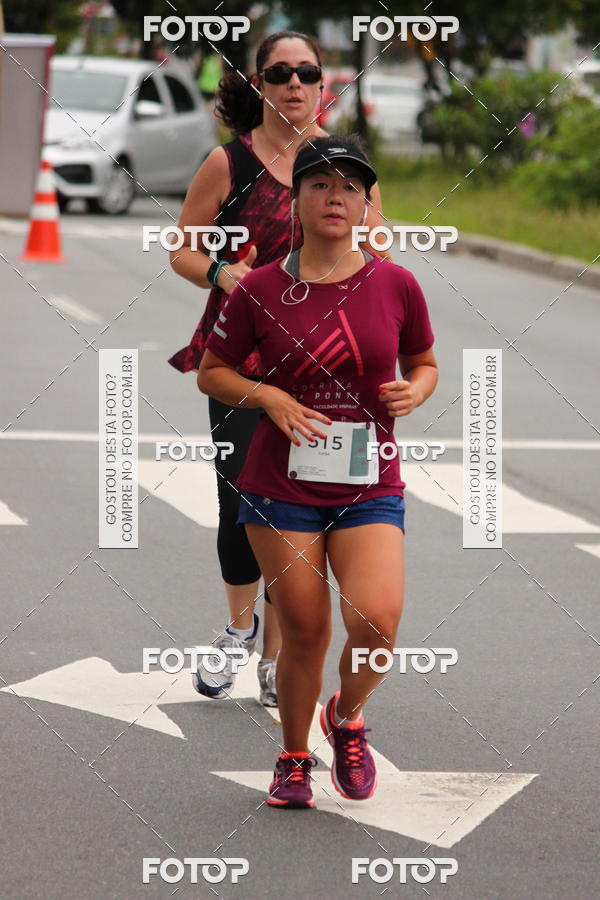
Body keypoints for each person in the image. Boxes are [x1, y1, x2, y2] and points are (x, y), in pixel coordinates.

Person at [197, 135, 439, 809]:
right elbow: (213, 373)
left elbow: (424, 361)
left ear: (367, 204)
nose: (337, 198)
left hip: (368, 484)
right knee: (306, 629)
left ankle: (347, 715)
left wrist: (415, 391)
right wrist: (269, 396)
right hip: (280, 489)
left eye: (351, 187)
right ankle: (295, 755)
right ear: (297, 199)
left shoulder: (396, 283)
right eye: (321, 185)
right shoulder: (264, 289)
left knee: (379, 623)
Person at [168, 32, 388, 707]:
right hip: (239, 359)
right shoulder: (227, 162)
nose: (295, 84)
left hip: (321, 367)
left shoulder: (343, 160)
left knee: (293, 511)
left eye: (308, 73)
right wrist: (220, 271)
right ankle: (240, 628)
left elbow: (378, 246)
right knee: (239, 503)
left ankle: (277, 655)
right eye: (280, 73)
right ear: (258, 84)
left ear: (324, 83)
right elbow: (181, 246)